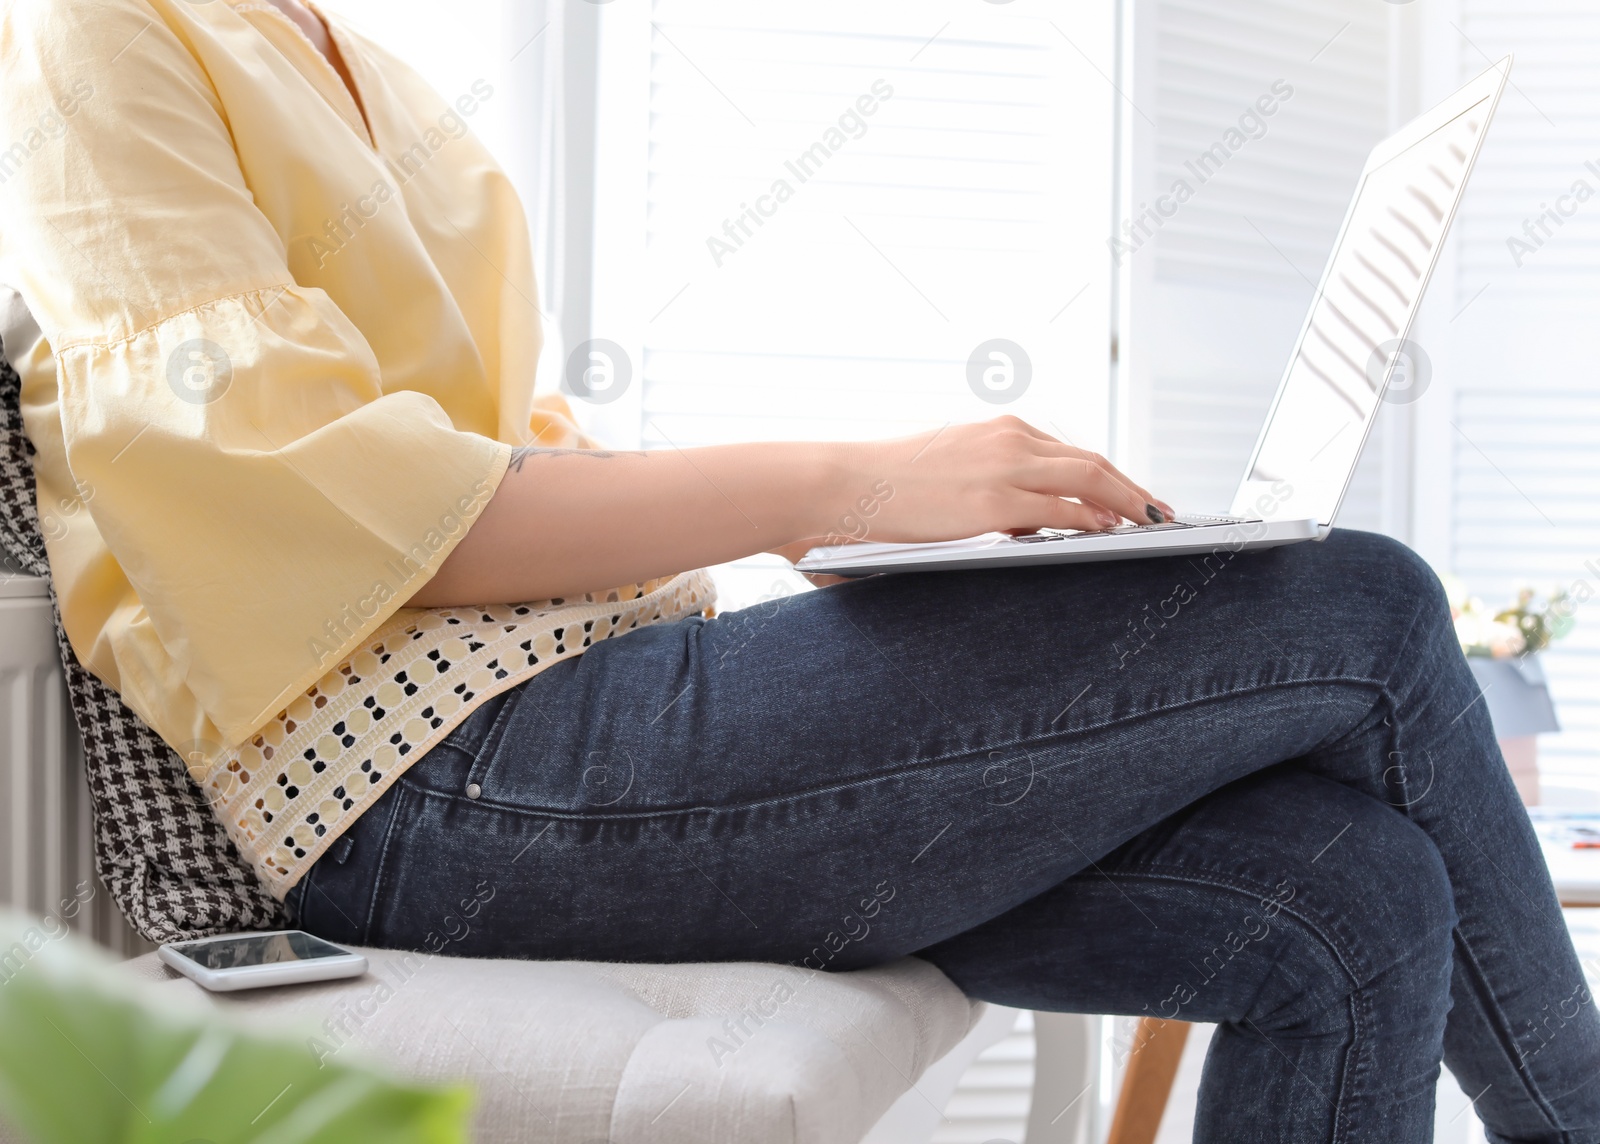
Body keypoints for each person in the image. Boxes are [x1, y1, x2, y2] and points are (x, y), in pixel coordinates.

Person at [0, 0, 1594, 1138]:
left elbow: (517, 454)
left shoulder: (361, 60)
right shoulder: (100, 33)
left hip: (590, 700)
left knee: (1349, 898)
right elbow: (317, 507)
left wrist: (858, 539)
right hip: (424, 785)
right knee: (1365, 606)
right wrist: (840, 480)